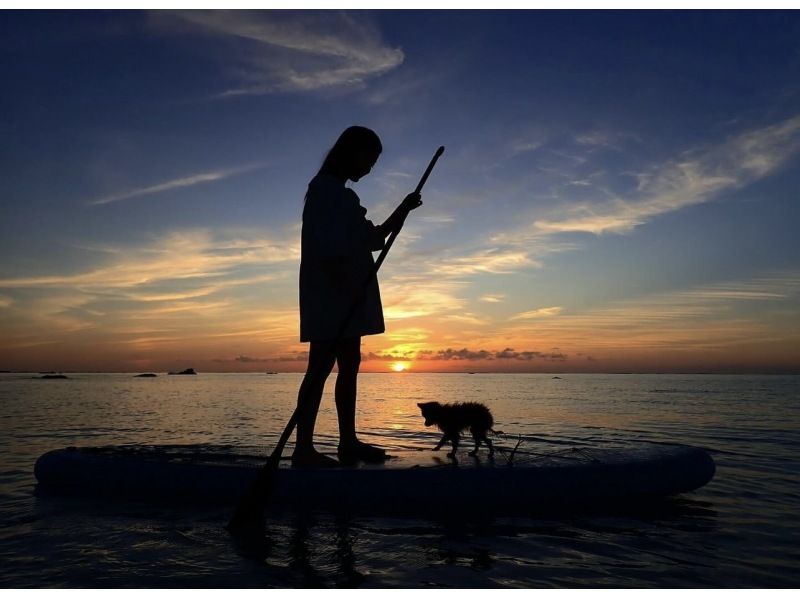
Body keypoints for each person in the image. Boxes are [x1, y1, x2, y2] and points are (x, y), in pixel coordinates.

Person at [292, 126, 423, 468]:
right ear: (352, 153)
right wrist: (346, 291)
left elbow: (374, 238)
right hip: (333, 296)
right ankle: (303, 448)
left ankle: (347, 442)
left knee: (348, 365)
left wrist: (404, 209)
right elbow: (327, 250)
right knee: (319, 369)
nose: (370, 169)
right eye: (369, 160)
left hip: (344, 295)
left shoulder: (342, 196)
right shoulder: (325, 192)